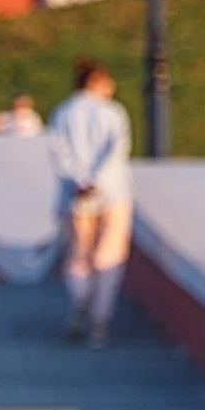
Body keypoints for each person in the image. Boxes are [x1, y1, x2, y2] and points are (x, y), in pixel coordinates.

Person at [48, 58, 133, 348]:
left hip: (74, 194)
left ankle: (80, 298)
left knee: (78, 257)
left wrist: (79, 180)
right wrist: (97, 179)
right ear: (96, 81)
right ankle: (99, 323)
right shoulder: (112, 112)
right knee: (107, 257)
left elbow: (58, 152)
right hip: (113, 193)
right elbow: (117, 150)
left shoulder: (63, 112)